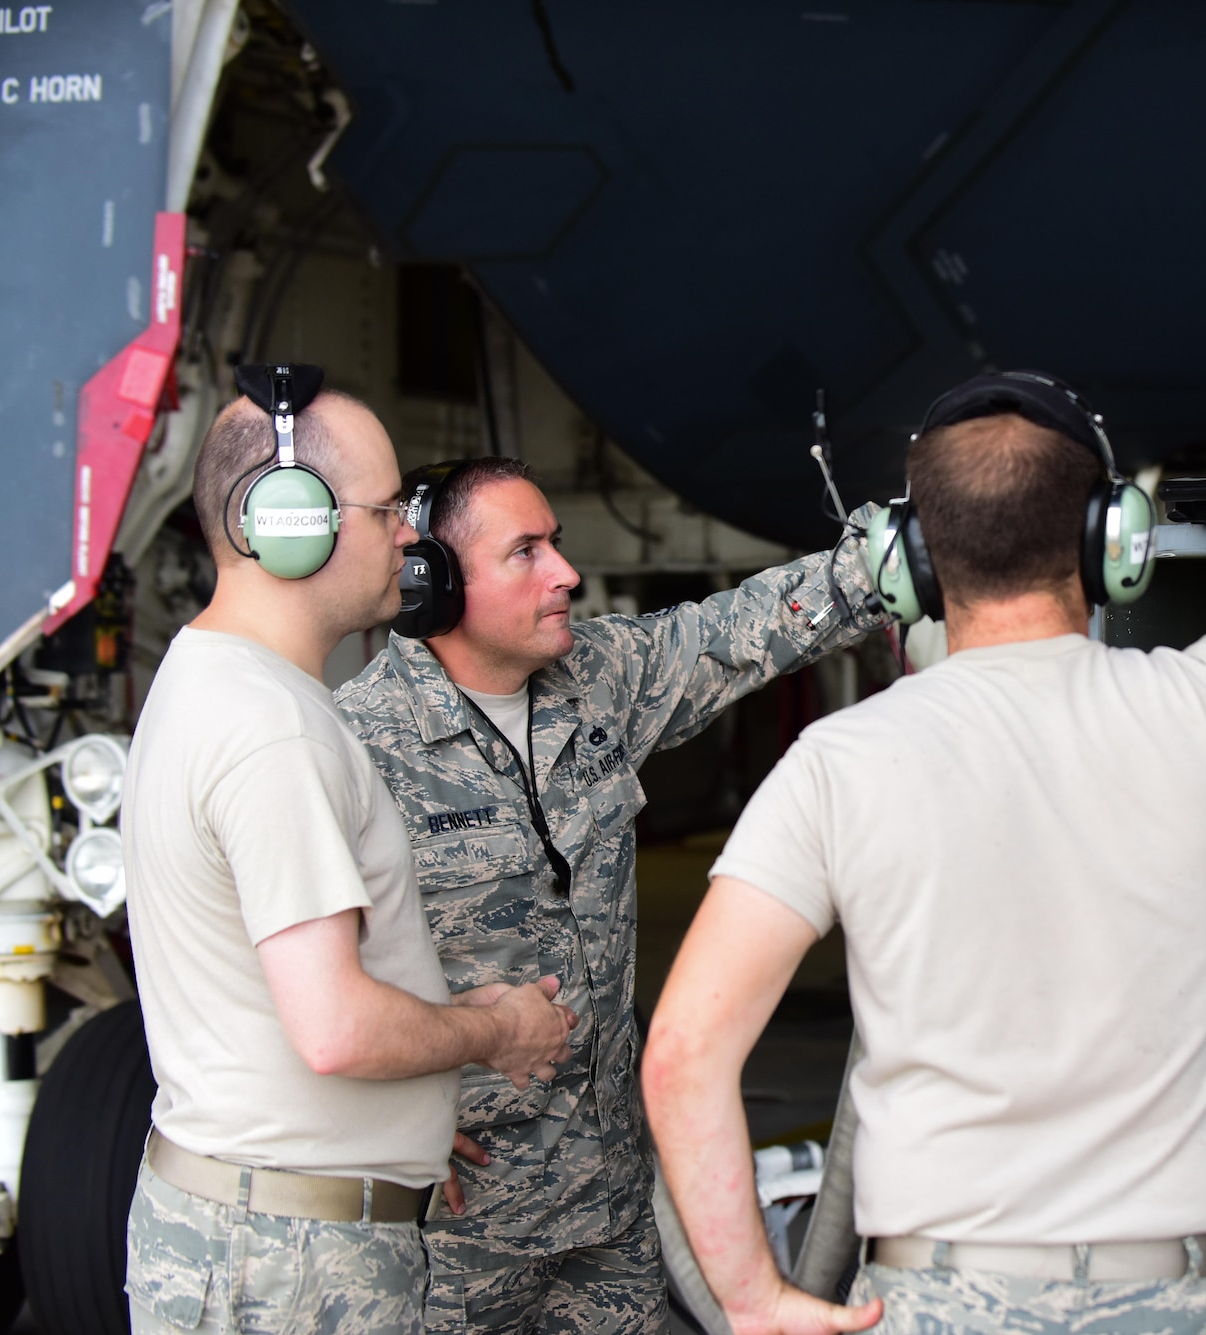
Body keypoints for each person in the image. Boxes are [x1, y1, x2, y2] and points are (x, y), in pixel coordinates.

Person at [642, 333, 1206, 1335]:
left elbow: (682, 1055)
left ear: (906, 564)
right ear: (1112, 541)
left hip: (936, 1300)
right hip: (1173, 1299)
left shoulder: (837, 764)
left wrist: (753, 1303)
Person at [333, 455, 891, 1334]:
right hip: (457, 1234)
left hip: (613, 1210)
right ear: (433, 585)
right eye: (526, 552)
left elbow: (735, 631)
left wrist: (881, 563)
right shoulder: (352, 748)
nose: (566, 573)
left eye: (555, 542)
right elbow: (294, 987)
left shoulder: (596, 678)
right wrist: (376, 1126)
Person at [122, 378, 579, 1335]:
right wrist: (495, 1030)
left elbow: (275, 1004)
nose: (411, 541)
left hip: (261, 1226)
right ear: (295, 526)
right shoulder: (272, 732)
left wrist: (402, 1118)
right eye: (385, 513)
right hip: (295, 1261)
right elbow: (334, 1029)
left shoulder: (207, 676)